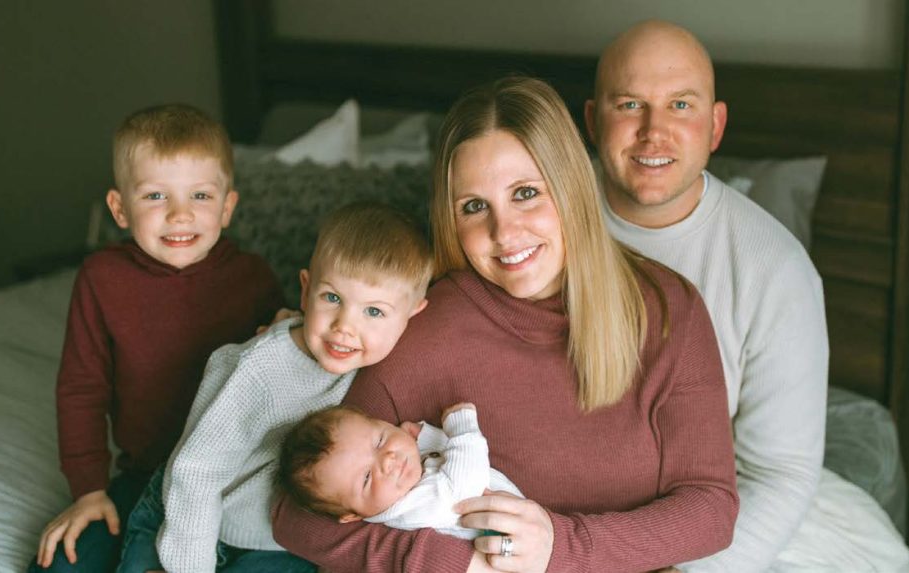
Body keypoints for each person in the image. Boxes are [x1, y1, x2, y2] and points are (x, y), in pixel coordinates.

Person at [272, 76, 738, 573]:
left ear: (571, 187)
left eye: (526, 193)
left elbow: (711, 509)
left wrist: (560, 547)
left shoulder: (667, 309)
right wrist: (454, 563)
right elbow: (295, 514)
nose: (505, 232)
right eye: (475, 207)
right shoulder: (422, 328)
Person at [585, 20, 909, 572]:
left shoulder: (775, 268)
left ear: (715, 126)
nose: (653, 131)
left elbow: (779, 475)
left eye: (680, 105)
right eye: (629, 105)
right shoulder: (532, 223)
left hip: (716, 517)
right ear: (592, 120)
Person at [30, 104, 282, 572]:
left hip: (235, 480)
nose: (180, 214)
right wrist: (89, 491)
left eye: (200, 196)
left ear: (227, 207)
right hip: (145, 473)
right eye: (155, 196)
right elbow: (82, 390)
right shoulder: (101, 279)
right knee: (61, 564)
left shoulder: (253, 280)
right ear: (120, 209)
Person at [115, 202, 433, 572]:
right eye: (332, 298)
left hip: (268, 541)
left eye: (374, 311)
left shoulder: (379, 365)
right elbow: (196, 472)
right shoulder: (260, 369)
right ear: (306, 291)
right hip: (183, 513)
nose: (345, 327)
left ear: (412, 315)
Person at [278, 402, 523, 539]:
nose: (388, 460)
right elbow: (465, 489)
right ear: (353, 515)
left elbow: (436, 465)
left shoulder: (404, 485)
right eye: (366, 477)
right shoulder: (411, 510)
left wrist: (426, 438)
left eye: (380, 441)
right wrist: (462, 427)